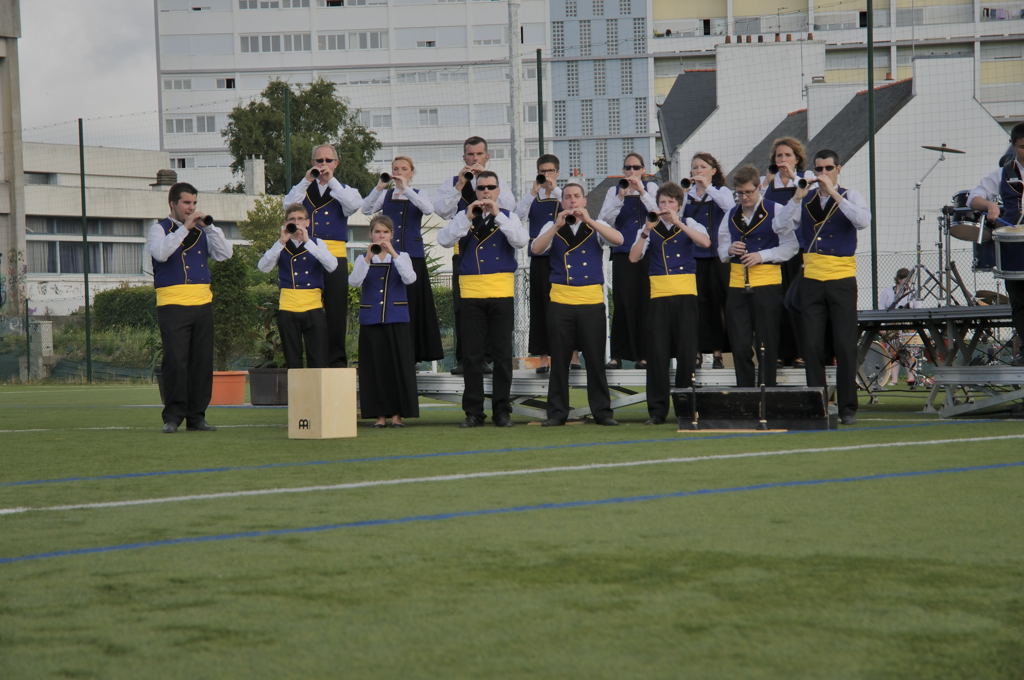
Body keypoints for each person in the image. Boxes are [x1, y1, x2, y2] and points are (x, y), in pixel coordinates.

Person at [437, 170, 527, 427]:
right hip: (471, 292)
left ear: (498, 191)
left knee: (501, 355)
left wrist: (497, 214)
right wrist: (466, 217)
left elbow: (521, 241)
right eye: (481, 188)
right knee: (473, 357)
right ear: (475, 192)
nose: (486, 192)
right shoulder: (463, 217)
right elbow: (443, 240)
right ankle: (473, 412)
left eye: (490, 187)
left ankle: (502, 410)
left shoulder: (508, 217)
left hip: (500, 290)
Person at [787, 149, 871, 425]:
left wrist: (833, 193)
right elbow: (782, 226)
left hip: (841, 279)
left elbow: (862, 221)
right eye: (819, 169)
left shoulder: (849, 195)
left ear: (838, 168)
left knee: (845, 344)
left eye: (828, 168)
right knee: (811, 345)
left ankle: (848, 406)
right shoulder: (806, 197)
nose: (823, 174)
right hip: (812, 278)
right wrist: (796, 197)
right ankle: (818, 404)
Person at [531, 183, 623, 426]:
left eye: (576, 197)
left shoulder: (596, 225)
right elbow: (536, 249)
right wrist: (556, 226)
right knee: (559, 360)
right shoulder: (552, 226)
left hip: (591, 301)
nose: (572, 201)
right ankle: (557, 413)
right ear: (562, 202)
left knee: (594, 360)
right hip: (561, 301)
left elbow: (618, 240)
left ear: (584, 200)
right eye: (568, 197)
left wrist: (590, 221)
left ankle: (602, 412)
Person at [147, 182, 232, 433]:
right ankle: (173, 416)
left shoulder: (203, 231)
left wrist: (211, 228)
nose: (191, 208)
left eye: (194, 203)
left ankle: (197, 416)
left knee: (201, 362)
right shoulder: (158, 229)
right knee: (175, 361)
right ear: (172, 203)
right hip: (172, 304)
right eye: (186, 203)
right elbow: (162, 253)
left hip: (201, 303)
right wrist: (185, 228)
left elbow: (225, 254)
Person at [433, 136, 517, 375]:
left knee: (494, 309)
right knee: (463, 308)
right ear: (464, 157)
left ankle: (488, 358)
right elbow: (441, 210)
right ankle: (465, 359)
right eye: (470, 155)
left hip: (495, 252)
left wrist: (486, 181)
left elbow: (510, 207)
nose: (474, 159)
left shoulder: (496, 183)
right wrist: (460, 185)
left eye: (479, 155)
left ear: (486, 157)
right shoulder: (453, 182)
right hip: (465, 251)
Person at [628, 182, 710, 425]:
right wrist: (645, 231)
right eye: (662, 202)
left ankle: (685, 409)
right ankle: (657, 411)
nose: (665, 207)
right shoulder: (650, 227)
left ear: (679, 204)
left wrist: (679, 223)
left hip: (685, 295)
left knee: (686, 353)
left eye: (670, 202)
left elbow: (705, 243)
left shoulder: (689, 223)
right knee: (657, 354)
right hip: (659, 297)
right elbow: (633, 257)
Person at [717, 165, 799, 388]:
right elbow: (722, 249)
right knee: (740, 343)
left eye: (748, 192)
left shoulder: (777, 209)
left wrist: (762, 256)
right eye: (740, 193)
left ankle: (767, 391)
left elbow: (791, 247)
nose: (744, 197)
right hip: (736, 285)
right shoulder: (730, 215)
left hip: (767, 284)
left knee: (766, 343)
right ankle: (745, 390)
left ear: (758, 188)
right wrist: (729, 250)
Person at [283, 143, 363, 368]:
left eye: (328, 161)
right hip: (307, 255)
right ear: (312, 164)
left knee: (336, 311)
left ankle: (336, 362)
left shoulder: (344, 190)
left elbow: (353, 205)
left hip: (334, 255)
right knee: (311, 313)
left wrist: (331, 181)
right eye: (319, 161)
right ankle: (314, 362)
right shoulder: (303, 189)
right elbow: (287, 206)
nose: (324, 165)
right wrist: (307, 180)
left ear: (336, 163)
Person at [361, 156, 443, 364]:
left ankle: (412, 355)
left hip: (411, 256)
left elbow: (428, 209)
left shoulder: (417, 193)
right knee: (391, 303)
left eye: (403, 169)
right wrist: (379, 186)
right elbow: (366, 209)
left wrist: (405, 188)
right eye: (395, 168)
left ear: (411, 172)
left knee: (413, 305)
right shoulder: (386, 195)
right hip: (387, 257)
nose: (399, 172)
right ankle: (391, 352)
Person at [349, 215, 420, 428]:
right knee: (375, 369)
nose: (381, 236)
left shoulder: (402, 256)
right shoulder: (364, 259)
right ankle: (379, 415)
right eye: (378, 232)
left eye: (385, 232)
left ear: (392, 235)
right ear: (371, 234)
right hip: (371, 320)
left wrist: (393, 254)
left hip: (396, 318)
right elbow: (354, 282)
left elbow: (410, 278)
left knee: (397, 368)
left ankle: (397, 414)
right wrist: (369, 258)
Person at [256, 203, 338, 368]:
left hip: (313, 306)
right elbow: (263, 267)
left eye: (300, 219)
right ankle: (296, 394)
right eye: (292, 219)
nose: (297, 222)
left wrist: (307, 241)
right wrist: (280, 242)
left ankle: (317, 394)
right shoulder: (281, 245)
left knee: (318, 358)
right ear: (286, 223)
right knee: (293, 360)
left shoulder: (317, 243)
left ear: (307, 222)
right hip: (288, 306)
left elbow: (332, 265)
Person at [969, 122, 1024, 366]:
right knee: (1020, 301)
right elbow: (973, 198)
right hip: (1015, 248)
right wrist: (990, 206)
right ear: (1013, 147)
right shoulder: (1001, 174)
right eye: (1023, 147)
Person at [599, 152, 659, 370]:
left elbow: (657, 211)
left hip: (647, 251)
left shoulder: (651, 189)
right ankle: (617, 354)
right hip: (623, 252)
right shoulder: (613, 191)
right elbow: (605, 219)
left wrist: (640, 190)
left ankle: (644, 355)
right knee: (622, 302)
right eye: (628, 168)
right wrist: (621, 197)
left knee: (645, 302)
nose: (631, 171)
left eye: (635, 167)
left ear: (643, 170)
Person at [759, 137, 814, 368]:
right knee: (778, 303)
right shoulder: (767, 182)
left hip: (800, 249)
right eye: (779, 156)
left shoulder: (807, 178)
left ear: (797, 158)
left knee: (798, 301)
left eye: (787, 155)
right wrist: (766, 182)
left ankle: (803, 351)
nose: (783, 160)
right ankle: (781, 352)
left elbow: (809, 205)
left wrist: (794, 178)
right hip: (775, 250)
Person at [682, 152, 735, 369]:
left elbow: (730, 208)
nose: (697, 171)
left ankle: (718, 352)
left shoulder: (721, 191)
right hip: (695, 256)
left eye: (702, 167)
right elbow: (677, 213)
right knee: (698, 305)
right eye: (695, 167)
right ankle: (696, 351)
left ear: (713, 171)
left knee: (720, 304)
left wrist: (708, 187)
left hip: (718, 256)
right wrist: (685, 193)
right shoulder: (688, 194)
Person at [516, 153, 562, 374]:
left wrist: (555, 189)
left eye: (550, 171)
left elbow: (573, 207)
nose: (546, 175)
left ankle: (570, 353)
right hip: (539, 258)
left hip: (561, 259)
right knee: (540, 307)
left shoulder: (562, 195)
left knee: (563, 307)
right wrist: (533, 191)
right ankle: (543, 356)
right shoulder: (532, 198)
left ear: (557, 173)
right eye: (542, 171)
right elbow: (518, 217)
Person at [877, 268, 922, 387]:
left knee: (909, 352)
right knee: (893, 352)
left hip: (908, 325)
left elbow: (918, 307)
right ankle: (894, 379)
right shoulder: (887, 292)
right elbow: (881, 308)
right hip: (892, 325)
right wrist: (882, 326)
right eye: (903, 279)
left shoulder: (912, 293)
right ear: (898, 279)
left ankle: (911, 377)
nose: (906, 282)